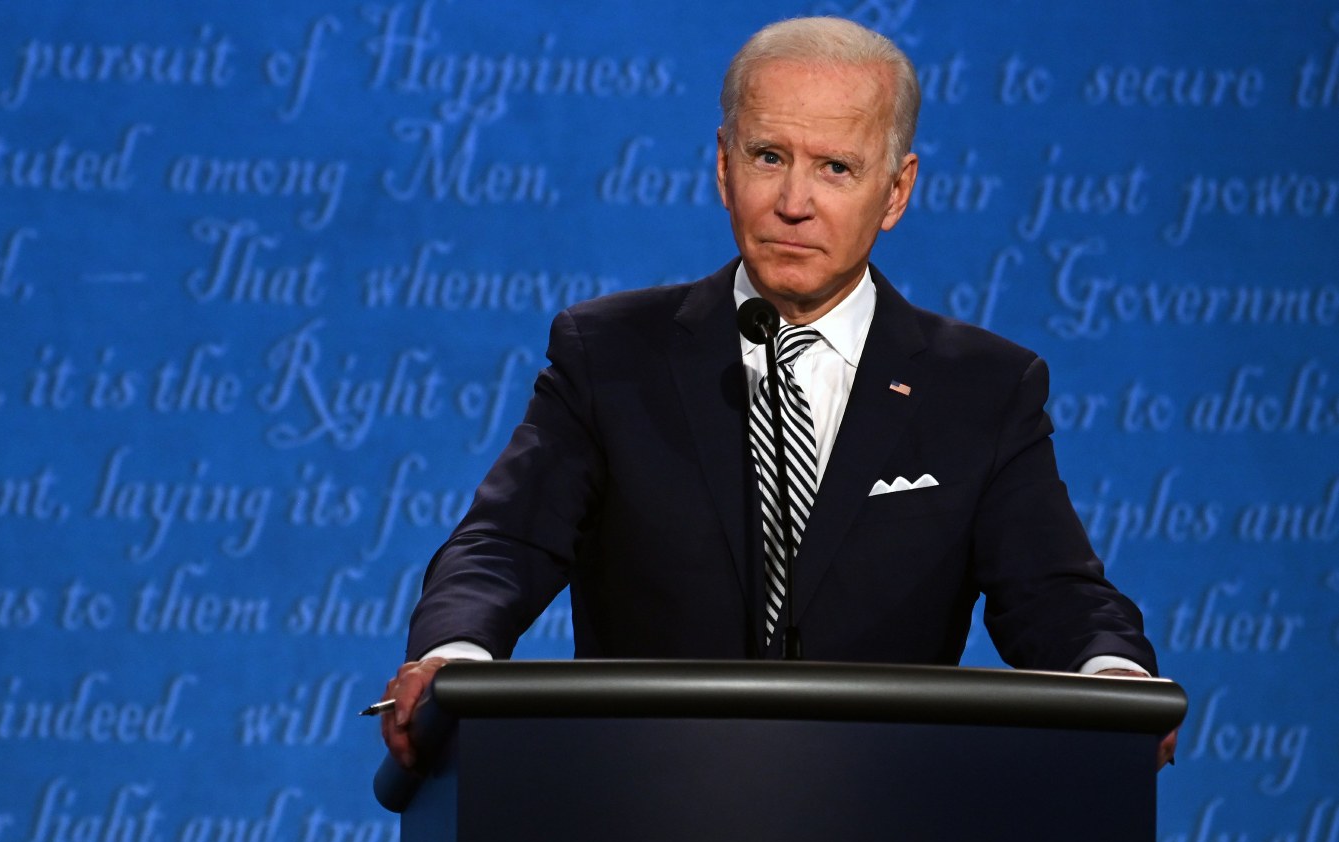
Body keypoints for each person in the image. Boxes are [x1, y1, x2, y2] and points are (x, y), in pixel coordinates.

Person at [382, 17, 1175, 768]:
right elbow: (506, 543)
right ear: (722, 166)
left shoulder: (983, 389)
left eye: (835, 167)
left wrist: (1110, 677)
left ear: (895, 192)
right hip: (640, 807)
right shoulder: (611, 354)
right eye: (768, 157)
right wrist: (452, 658)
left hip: (885, 818)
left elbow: (1052, 592)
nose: (794, 202)